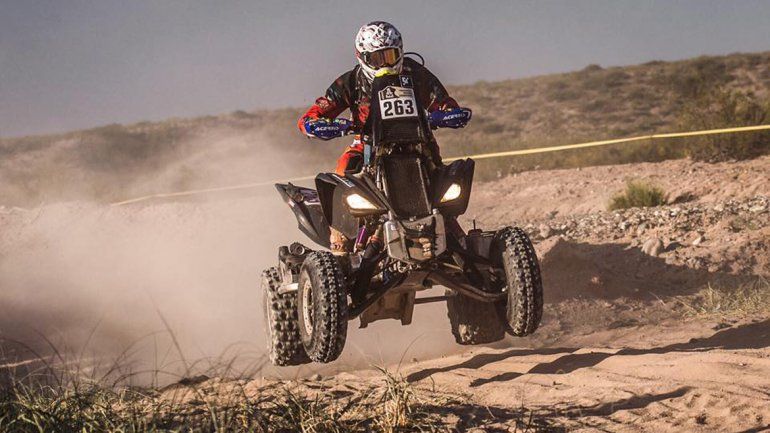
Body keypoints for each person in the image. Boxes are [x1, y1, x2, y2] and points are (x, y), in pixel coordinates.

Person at [297, 21, 470, 253]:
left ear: (401, 52)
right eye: (377, 58)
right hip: (368, 144)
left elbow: (443, 102)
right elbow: (312, 116)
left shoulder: (416, 73)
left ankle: (456, 234)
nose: (386, 64)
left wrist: (448, 114)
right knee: (342, 173)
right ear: (362, 57)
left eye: (391, 55)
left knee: (446, 185)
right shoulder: (350, 82)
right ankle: (340, 244)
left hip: (418, 143)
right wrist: (321, 125)